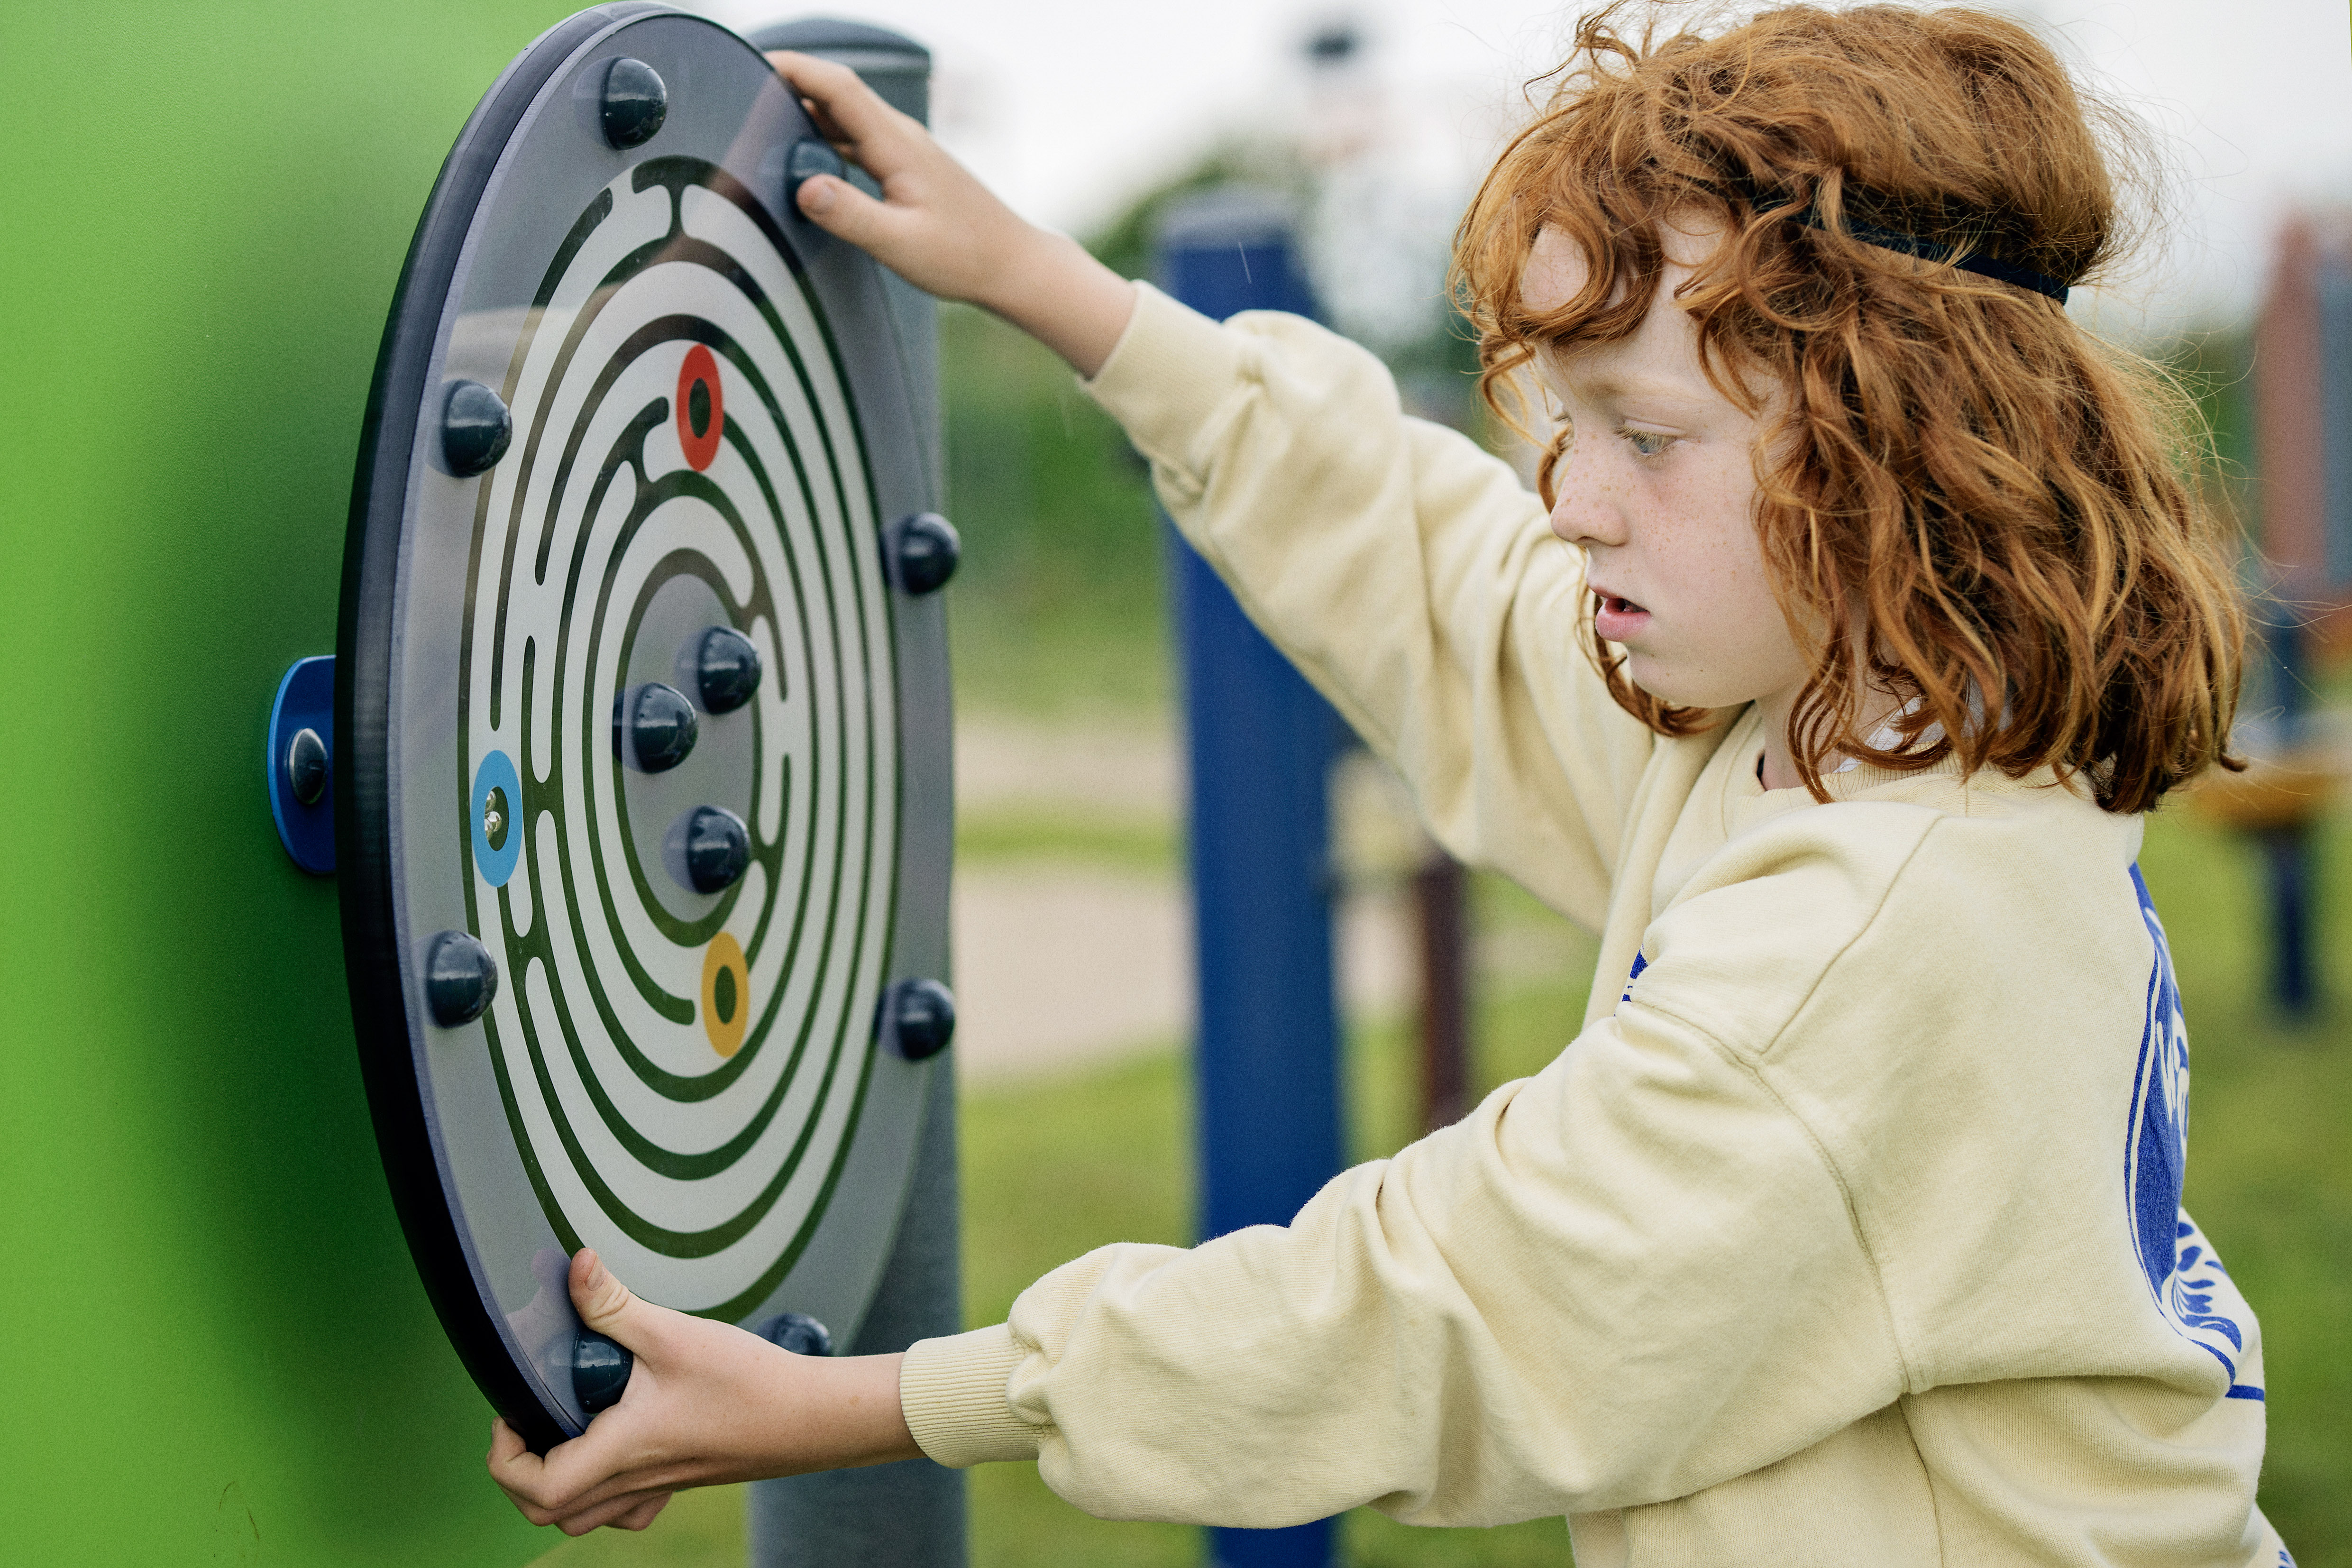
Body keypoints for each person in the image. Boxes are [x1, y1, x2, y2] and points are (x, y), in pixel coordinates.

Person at [489, 5, 2289, 1560]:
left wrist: (867, 1402)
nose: (1571, 498)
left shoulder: (1881, 923)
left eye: (1645, 435)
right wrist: (1052, 285)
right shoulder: (1850, 723)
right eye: (1566, 422)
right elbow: (1453, 587)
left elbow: (1443, 1307)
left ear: (1908, 446)